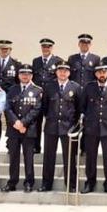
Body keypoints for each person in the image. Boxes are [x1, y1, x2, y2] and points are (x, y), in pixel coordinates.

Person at [38, 61, 83, 192]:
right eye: (60, 70)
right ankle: (46, 184)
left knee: (69, 158)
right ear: (56, 72)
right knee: (48, 157)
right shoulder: (49, 86)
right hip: (51, 126)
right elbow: (44, 107)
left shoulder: (75, 87)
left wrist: (73, 124)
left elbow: (78, 108)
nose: (62, 73)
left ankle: (71, 185)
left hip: (68, 127)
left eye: (65, 71)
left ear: (69, 73)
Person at [81, 64, 107, 194]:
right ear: (95, 74)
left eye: (104, 71)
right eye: (99, 72)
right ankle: (90, 182)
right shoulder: (89, 87)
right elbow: (83, 107)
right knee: (90, 157)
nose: (101, 74)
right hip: (91, 128)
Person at [2, 66, 43, 193]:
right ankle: (12, 182)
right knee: (13, 157)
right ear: (18, 75)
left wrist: (23, 123)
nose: (25, 76)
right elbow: (7, 108)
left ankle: (29, 182)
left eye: (28, 74)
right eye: (22, 73)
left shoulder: (37, 90)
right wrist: (16, 122)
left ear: (32, 75)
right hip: (14, 129)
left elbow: (36, 110)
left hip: (28, 129)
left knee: (28, 158)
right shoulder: (12, 89)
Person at [30, 37, 61, 154]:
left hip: (51, 97)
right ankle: (36, 146)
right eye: (44, 46)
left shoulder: (58, 61)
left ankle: (51, 148)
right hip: (38, 96)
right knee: (36, 121)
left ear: (52, 48)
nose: (46, 48)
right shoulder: (36, 61)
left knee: (50, 121)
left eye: (48, 46)